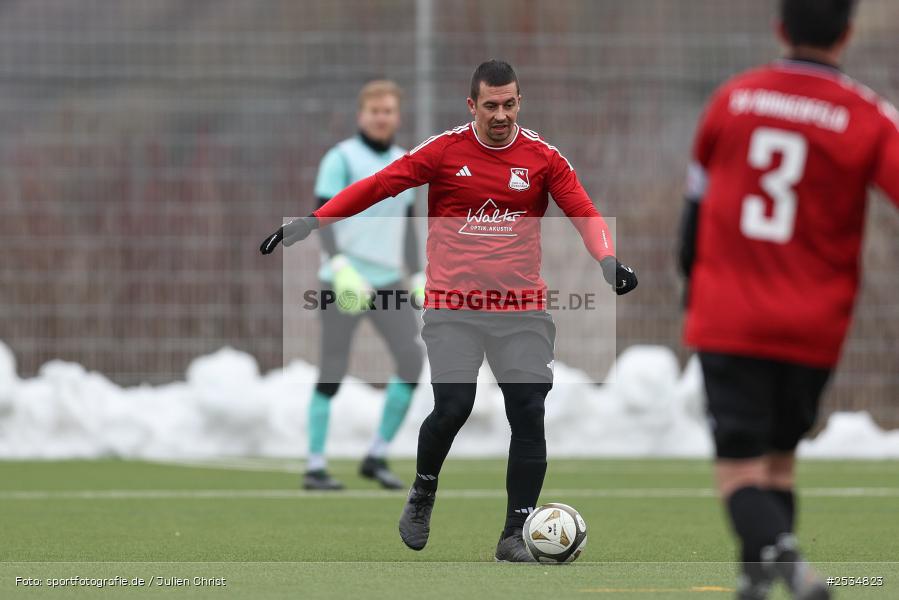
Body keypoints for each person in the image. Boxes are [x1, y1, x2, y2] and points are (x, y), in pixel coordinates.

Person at [262, 60, 637, 561]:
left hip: (521, 310)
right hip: (453, 307)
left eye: (509, 104)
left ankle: (514, 534)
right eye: (490, 105)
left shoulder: (544, 158)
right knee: (454, 406)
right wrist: (312, 221)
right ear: (472, 105)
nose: (500, 114)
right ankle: (422, 491)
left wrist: (608, 260)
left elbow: (585, 212)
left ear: (519, 102)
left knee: (528, 411)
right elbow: (380, 185)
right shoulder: (444, 151)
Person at [679, 1, 899, 598]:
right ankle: (755, 584)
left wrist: (689, 291)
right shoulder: (868, 116)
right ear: (848, 33)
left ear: (780, 27)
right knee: (779, 463)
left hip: (729, 315)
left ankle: (788, 564)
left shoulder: (734, 98)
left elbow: (694, 210)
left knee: (739, 472)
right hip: (814, 325)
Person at [300, 80, 425, 491]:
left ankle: (376, 453)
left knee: (411, 360)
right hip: (345, 279)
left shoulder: (406, 162)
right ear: (362, 115)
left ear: (397, 116)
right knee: (333, 369)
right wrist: (337, 265)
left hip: (388, 281)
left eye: (388, 110)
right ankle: (315, 465)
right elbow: (323, 214)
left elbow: (406, 226)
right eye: (375, 111)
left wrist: (419, 272)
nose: (382, 117)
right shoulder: (340, 159)